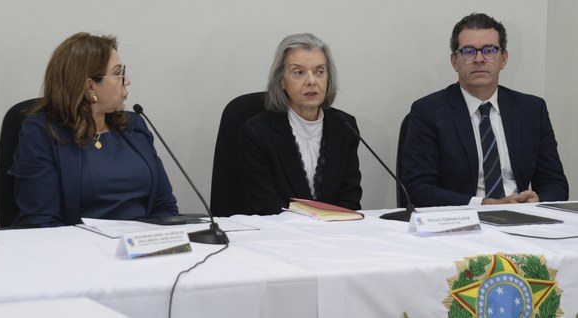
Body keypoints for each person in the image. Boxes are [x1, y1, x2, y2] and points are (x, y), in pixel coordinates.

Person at [10, 32, 179, 227]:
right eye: (118, 73)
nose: (127, 80)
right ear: (91, 86)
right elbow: (40, 221)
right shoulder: (42, 132)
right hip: (79, 250)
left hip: (142, 247)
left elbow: (165, 207)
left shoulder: (133, 125)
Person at [401, 13, 568, 207]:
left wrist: (536, 201)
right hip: (462, 220)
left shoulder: (532, 110)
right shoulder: (428, 112)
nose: (479, 59)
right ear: (455, 61)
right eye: (469, 52)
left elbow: (555, 183)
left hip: (524, 217)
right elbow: (418, 189)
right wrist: (485, 204)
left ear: (503, 58)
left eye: (489, 50)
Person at [239, 33, 362, 215]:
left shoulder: (344, 127)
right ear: (281, 80)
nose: (311, 81)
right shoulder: (258, 133)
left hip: (335, 235)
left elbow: (350, 198)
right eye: (299, 72)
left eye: (320, 71)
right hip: (280, 237)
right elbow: (265, 205)